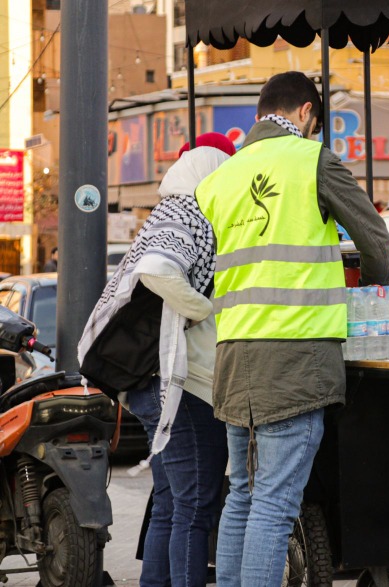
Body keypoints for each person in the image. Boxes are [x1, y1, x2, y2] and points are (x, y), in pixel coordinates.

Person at [193, 71, 389, 587]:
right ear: (306, 112)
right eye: (316, 124)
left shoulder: (220, 178)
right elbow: (375, 242)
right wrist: (373, 288)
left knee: (242, 492)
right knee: (277, 503)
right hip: (295, 353)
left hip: (235, 354)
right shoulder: (312, 160)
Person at [78, 132, 236, 587]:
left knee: (171, 501)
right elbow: (158, 269)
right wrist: (202, 309)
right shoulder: (188, 211)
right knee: (193, 506)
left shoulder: (169, 209)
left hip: (151, 381)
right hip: (178, 385)